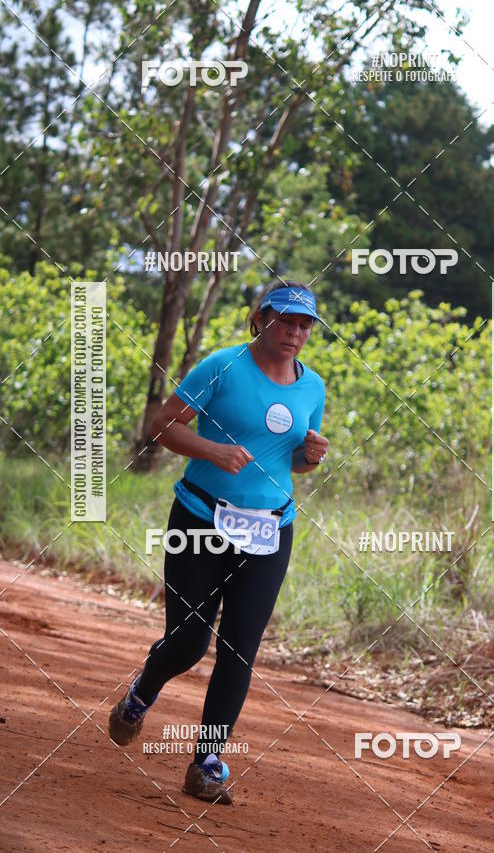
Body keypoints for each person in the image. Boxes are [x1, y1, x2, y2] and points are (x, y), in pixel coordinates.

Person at [108, 278, 329, 805]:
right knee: (188, 644)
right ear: (261, 317)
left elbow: (290, 458)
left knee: (239, 649)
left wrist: (311, 456)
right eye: (285, 320)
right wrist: (212, 451)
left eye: (304, 325)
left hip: (270, 528)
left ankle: (206, 761)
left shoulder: (312, 386)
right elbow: (162, 426)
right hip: (200, 520)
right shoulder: (222, 365)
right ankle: (142, 692)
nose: (294, 332)